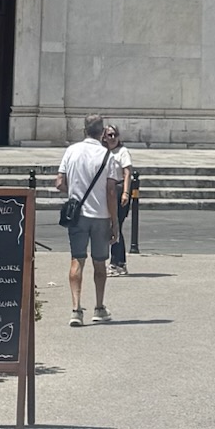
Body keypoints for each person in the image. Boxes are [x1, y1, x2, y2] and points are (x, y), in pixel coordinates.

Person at [55, 113, 116, 326]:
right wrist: (114, 223)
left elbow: (59, 183)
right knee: (100, 263)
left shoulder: (71, 151)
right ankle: (99, 307)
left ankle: (75, 309)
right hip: (100, 216)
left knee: (76, 259)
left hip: (77, 215)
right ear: (102, 133)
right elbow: (110, 192)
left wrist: (75, 192)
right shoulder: (109, 156)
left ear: (84, 131)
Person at [105, 122, 133, 276]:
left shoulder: (123, 152)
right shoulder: (102, 152)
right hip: (106, 191)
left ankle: (118, 263)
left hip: (118, 189)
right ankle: (116, 262)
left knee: (116, 225)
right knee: (110, 226)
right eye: (110, 135)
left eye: (115, 134)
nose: (113, 137)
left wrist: (126, 193)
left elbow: (127, 173)